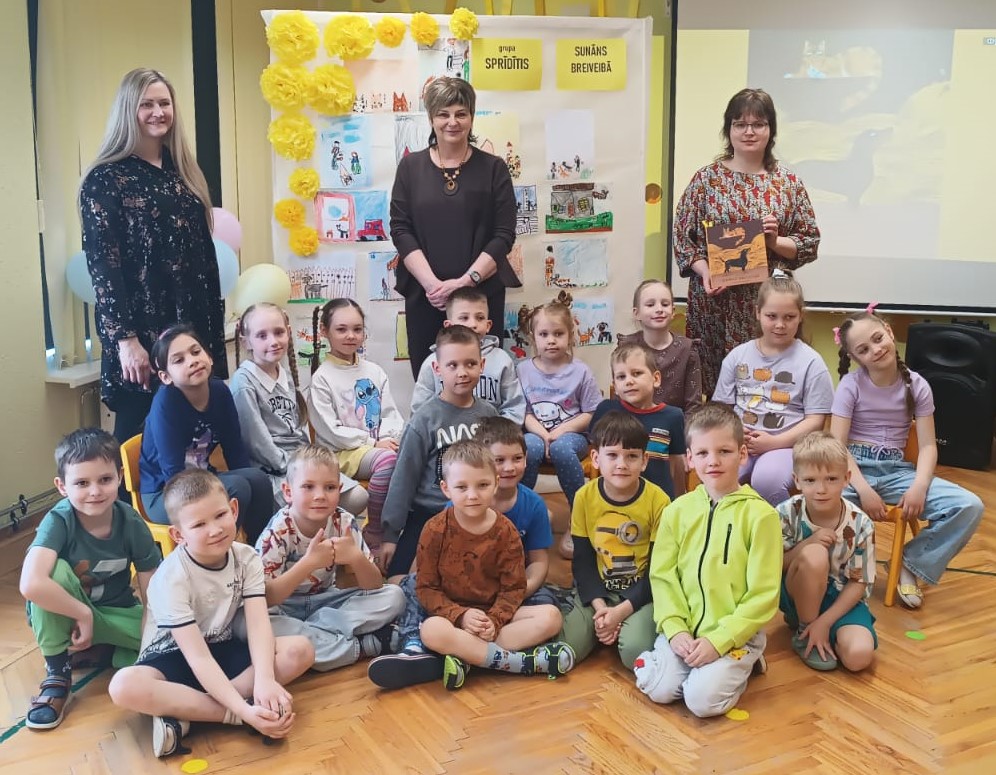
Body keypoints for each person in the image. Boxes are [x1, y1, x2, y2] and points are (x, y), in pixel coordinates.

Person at [108, 469, 314, 758]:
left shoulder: (247, 558)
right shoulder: (171, 578)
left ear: (234, 509)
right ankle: (233, 714)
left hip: (221, 647)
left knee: (300, 650)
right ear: (178, 534)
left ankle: (185, 712)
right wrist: (243, 712)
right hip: (173, 657)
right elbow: (197, 658)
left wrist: (265, 680)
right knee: (123, 686)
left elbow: (258, 625)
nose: (215, 529)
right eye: (199, 524)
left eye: (220, 515)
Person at [79, 68, 226, 443]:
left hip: (192, 328)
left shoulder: (184, 173)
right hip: (143, 337)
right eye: (147, 104)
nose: (158, 112)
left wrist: (211, 336)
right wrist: (126, 341)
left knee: (198, 442)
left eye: (164, 103)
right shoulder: (105, 179)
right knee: (140, 443)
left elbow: (203, 260)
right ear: (129, 110)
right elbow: (104, 269)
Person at [368, 418, 562, 687]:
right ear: (446, 489)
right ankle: (514, 662)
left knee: (551, 617)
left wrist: (494, 620)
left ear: (495, 484)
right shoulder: (434, 529)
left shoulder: (507, 532)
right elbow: (426, 587)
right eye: (462, 487)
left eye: (482, 485)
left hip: (492, 615)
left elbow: (513, 587)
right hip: (453, 612)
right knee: (432, 629)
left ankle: (464, 655)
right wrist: (460, 615)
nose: (472, 495)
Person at [634, 403, 781, 718]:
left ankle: (746, 660)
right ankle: (696, 668)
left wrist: (719, 641)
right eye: (702, 453)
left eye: (724, 451)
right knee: (659, 690)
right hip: (685, 629)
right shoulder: (676, 511)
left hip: (734, 635)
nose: (713, 461)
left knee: (701, 702)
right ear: (689, 459)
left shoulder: (762, 517)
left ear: (742, 454)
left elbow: (764, 595)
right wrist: (675, 629)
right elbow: (662, 576)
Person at [831, 310, 984, 609]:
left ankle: (909, 564)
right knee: (820, 504)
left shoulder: (917, 385)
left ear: (889, 331)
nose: (876, 350)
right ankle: (838, 573)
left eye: (878, 339)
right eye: (864, 349)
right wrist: (863, 489)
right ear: (855, 357)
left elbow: (927, 446)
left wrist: (919, 486)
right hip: (852, 470)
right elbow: (837, 446)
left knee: (969, 506)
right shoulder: (850, 385)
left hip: (897, 471)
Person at [673, 88, 820, 395]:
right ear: (728, 130)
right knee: (715, 388)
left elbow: (809, 242)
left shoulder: (788, 183)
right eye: (740, 124)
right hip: (714, 301)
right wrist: (705, 272)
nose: (749, 132)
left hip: (767, 304)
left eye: (758, 124)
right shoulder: (706, 180)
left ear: (771, 130)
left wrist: (775, 241)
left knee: (765, 387)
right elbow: (683, 239)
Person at [19, 429, 160, 730]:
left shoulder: (131, 522)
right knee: (53, 572)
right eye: (82, 483)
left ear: (119, 477)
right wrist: (82, 613)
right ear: (62, 486)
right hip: (67, 615)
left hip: (116, 611)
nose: (95, 491)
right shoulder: (59, 520)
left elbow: (152, 587)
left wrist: (155, 638)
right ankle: (57, 674)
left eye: (105, 479)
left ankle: (103, 650)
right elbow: (31, 583)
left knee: (170, 642)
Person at [390, 76, 519, 378]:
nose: (452, 122)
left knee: (483, 380)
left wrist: (465, 282)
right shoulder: (410, 167)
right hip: (426, 297)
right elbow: (400, 229)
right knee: (431, 379)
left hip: (479, 298)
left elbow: (504, 234)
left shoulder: (494, 168)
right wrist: (433, 286)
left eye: (461, 113)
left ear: (471, 117)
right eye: (443, 114)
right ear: (431, 119)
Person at [255, 446, 405, 671]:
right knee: (257, 624)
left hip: (327, 604)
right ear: (288, 491)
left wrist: (356, 558)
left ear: (339, 490)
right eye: (308, 487)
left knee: (395, 596)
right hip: (284, 608)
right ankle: (363, 646)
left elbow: (374, 585)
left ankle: (318, 637)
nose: (320, 496)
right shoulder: (277, 531)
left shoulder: (344, 521)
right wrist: (309, 563)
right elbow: (266, 598)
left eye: (330, 487)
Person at [380, 325, 498, 580]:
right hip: (428, 513)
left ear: (482, 365)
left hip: (475, 510)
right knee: (397, 582)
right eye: (452, 365)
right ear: (437, 369)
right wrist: (390, 536)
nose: (462, 372)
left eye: (470, 364)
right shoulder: (424, 420)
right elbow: (404, 478)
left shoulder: (489, 415)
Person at [229, 303, 367, 517]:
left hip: (301, 462)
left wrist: (313, 462)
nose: (273, 341)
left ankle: (318, 532)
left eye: (278, 332)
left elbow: (298, 429)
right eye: (262, 336)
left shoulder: (284, 374)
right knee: (321, 506)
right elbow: (257, 442)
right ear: (246, 341)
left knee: (359, 497)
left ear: (288, 332)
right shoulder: (244, 382)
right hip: (273, 471)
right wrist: (297, 467)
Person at [139, 324, 272, 544]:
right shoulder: (166, 403)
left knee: (258, 480)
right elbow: (173, 473)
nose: (192, 361)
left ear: (209, 357)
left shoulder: (220, 391)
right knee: (236, 487)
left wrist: (246, 476)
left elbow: (234, 448)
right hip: (166, 493)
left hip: (203, 478)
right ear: (165, 376)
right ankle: (220, 554)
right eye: (179, 360)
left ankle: (260, 551)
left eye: (196, 352)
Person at [713, 271, 834, 506]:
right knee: (718, 477)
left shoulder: (811, 362)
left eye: (789, 317)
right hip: (739, 443)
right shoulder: (737, 356)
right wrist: (736, 433)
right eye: (771, 316)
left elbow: (816, 421)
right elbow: (722, 410)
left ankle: (778, 529)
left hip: (786, 445)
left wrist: (774, 442)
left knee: (767, 480)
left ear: (800, 316)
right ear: (757, 313)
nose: (780, 324)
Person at [560, 412, 670, 669]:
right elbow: (583, 561)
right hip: (599, 591)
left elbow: (658, 570)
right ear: (596, 458)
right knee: (568, 647)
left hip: (642, 593)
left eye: (631, 456)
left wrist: (621, 612)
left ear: (644, 461)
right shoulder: (584, 497)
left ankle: (622, 627)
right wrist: (601, 608)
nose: (622, 464)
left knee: (634, 652)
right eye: (612, 455)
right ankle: (604, 625)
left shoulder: (659, 501)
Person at [308, 299, 403, 551]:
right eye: (341, 329)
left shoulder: (375, 371)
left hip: (373, 449)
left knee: (408, 455)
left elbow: (390, 414)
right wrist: (373, 443)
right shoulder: (322, 378)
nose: (351, 336)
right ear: (324, 331)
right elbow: (330, 431)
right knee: (388, 461)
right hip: (340, 453)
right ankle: (375, 529)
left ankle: (400, 533)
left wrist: (388, 438)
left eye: (357, 329)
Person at [778, 432, 877, 672]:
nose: (821, 489)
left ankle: (823, 629)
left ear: (847, 479)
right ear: (797, 481)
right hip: (796, 590)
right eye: (810, 480)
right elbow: (773, 564)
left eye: (831, 479)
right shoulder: (785, 513)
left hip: (841, 599)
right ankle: (805, 629)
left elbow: (859, 582)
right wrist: (807, 543)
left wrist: (825, 622)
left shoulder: (862, 524)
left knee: (859, 657)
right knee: (815, 553)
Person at [517, 301, 602, 559]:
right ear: (533, 337)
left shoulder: (581, 371)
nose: (551, 340)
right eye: (544, 334)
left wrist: (560, 432)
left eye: (558, 334)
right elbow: (524, 413)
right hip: (536, 433)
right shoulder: (522, 370)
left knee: (562, 449)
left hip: (573, 435)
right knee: (529, 448)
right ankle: (522, 513)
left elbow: (591, 412)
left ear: (570, 335)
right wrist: (544, 435)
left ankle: (579, 517)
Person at [411, 287, 526, 423]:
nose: (472, 324)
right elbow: (420, 412)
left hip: (492, 434)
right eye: (464, 318)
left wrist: (499, 433)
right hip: (446, 434)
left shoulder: (502, 360)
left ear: (488, 325)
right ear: (449, 325)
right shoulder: (433, 362)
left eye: (480, 318)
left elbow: (514, 408)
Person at [592, 341, 686, 500]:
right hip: (614, 499)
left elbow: (677, 463)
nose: (629, 381)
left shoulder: (673, 416)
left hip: (659, 501)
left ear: (656, 378)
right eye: (621, 377)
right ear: (615, 385)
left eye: (636, 373)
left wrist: (679, 502)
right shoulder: (606, 410)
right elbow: (596, 454)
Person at [617, 279, 702, 412]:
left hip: (675, 423)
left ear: (673, 311)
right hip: (632, 421)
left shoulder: (687, 350)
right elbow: (620, 398)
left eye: (665, 304)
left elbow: (693, 406)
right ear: (636, 313)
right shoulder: (626, 347)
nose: (659, 309)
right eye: (650, 305)